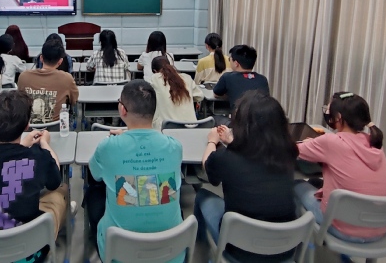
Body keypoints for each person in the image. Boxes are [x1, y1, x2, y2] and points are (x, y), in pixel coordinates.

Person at [0, 91, 70, 262]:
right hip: (28, 253)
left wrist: (22, 145)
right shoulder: (38, 157)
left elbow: (1, 162)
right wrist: (45, 143)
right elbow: (54, 180)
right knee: (60, 193)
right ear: (27, 125)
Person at [86, 80, 184, 262]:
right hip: (171, 253)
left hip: (118, 254)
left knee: (93, 192)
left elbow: (95, 174)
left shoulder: (108, 147)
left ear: (122, 110)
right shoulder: (174, 146)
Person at [194, 91, 298, 262]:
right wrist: (232, 142)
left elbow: (207, 165)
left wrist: (212, 141)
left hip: (240, 250)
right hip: (285, 248)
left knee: (201, 196)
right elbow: (257, 149)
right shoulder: (288, 153)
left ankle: (202, 252)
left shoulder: (226, 158)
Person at [294, 92, 386, 242]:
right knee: (314, 182)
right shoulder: (375, 143)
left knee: (296, 185)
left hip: (344, 229)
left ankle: (297, 244)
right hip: (377, 229)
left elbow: (292, 149)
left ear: (338, 117)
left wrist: (310, 143)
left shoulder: (331, 142)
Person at [17, 38, 79, 124]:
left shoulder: (23, 77)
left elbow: (19, 102)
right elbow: (74, 101)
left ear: (41, 58)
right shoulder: (67, 79)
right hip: (57, 128)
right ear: (60, 61)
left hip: (29, 128)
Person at [150, 56, 204, 130]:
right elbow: (200, 96)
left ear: (155, 71)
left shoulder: (155, 78)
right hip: (190, 127)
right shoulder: (186, 78)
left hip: (166, 128)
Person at [212, 44, 269, 109]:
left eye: (229, 59)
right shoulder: (262, 79)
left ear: (236, 63)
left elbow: (216, 94)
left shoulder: (227, 77)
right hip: (263, 114)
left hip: (240, 115)